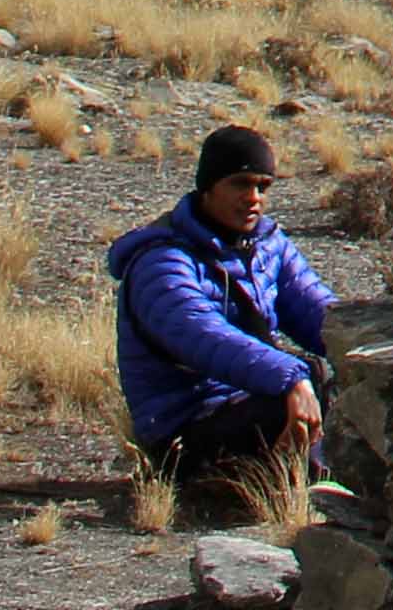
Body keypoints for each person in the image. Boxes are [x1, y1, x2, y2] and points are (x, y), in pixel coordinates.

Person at [107, 126, 333, 490]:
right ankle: (294, 488)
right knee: (293, 398)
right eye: (240, 184)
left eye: (263, 187)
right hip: (185, 431)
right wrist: (293, 379)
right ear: (208, 187)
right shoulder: (162, 263)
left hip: (248, 400)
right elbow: (206, 337)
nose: (253, 198)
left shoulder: (266, 244)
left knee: (339, 385)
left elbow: (322, 314)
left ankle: (315, 483)